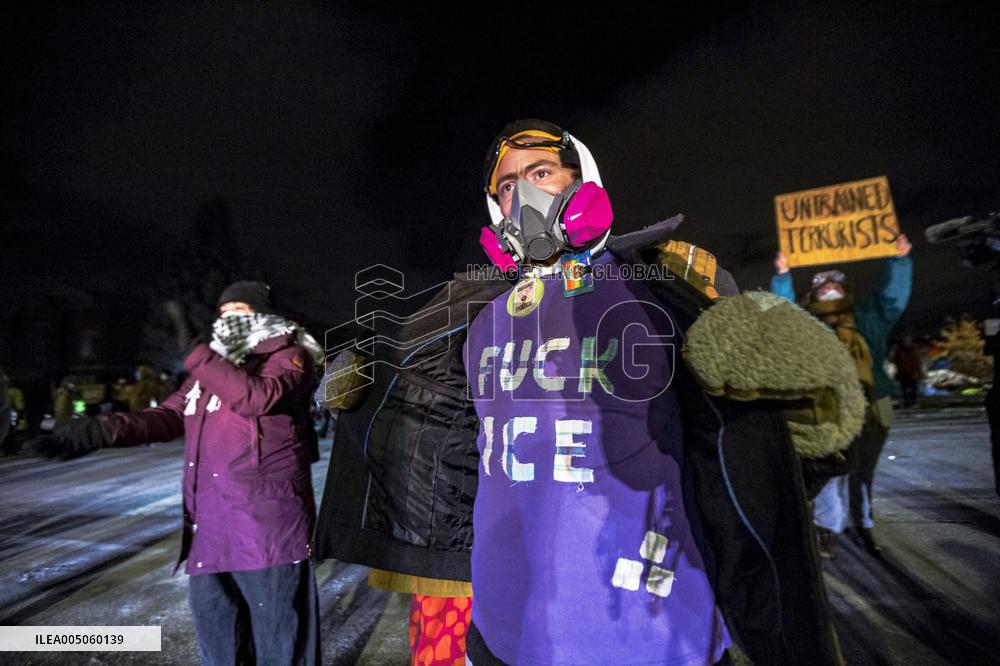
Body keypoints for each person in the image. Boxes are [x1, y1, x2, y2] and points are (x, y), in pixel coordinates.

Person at [317, 119, 865, 665]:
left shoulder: (664, 290)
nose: (522, 195)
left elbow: (745, 454)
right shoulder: (478, 316)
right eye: (506, 186)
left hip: (653, 637)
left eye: (541, 173)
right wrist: (375, 384)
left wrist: (805, 419)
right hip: (505, 636)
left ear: (585, 183)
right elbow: (445, 433)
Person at [35, 280, 324, 665]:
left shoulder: (289, 356)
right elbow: (168, 415)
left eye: (240, 311)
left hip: (267, 531)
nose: (229, 320)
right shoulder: (213, 368)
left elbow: (257, 397)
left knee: (281, 646)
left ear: (265, 314)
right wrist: (100, 430)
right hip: (212, 530)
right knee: (221, 644)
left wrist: (196, 353)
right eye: (223, 313)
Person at [772, 235, 913, 556]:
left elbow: (893, 297)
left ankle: (864, 525)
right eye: (822, 285)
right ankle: (827, 528)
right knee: (831, 470)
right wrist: (782, 276)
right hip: (827, 408)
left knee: (864, 471)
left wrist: (899, 261)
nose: (829, 287)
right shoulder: (806, 323)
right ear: (812, 294)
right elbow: (782, 313)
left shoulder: (869, 316)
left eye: (835, 283)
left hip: (873, 406)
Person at [892, 335, 923, 407]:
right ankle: (907, 402)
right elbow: (896, 361)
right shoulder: (899, 350)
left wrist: (918, 372)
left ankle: (912, 401)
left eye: (908, 341)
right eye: (906, 341)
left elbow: (917, 361)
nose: (907, 342)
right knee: (905, 389)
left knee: (913, 388)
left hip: (912, 372)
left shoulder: (913, 350)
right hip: (903, 373)